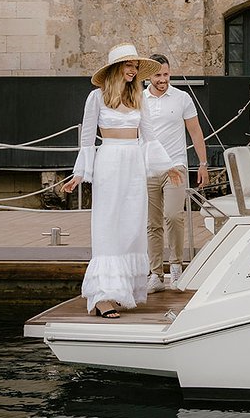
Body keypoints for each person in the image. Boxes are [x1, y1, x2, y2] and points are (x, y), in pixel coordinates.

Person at [64, 43, 184, 319]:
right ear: (116, 68)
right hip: (109, 161)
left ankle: (119, 291)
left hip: (133, 164)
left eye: (135, 66)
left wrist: (168, 167)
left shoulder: (138, 97)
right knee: (107, 226)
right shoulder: (96, 98)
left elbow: (150, 136)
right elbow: (86, 140)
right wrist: (79, 173)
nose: (133, 71)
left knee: (131, 227)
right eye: (128, 65)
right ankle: (102, 296)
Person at [144, 53, 210, 292]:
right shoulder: (139, 100)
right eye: (158, 75)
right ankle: (155, 275)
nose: (163, 79)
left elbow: (195, 131)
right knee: (152, 224)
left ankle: (176, 266)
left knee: (173, 215)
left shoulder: (182, 98)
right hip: (148, 167)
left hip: (176, 166)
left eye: (166, 74)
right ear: (148, 76)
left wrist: (202, 164)